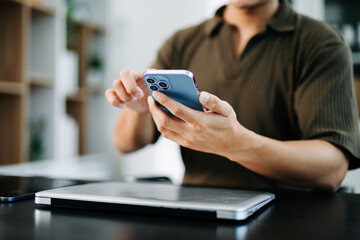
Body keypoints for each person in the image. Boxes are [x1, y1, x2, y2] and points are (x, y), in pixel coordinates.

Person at [105, 0, 360, 192]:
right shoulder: (183, 42)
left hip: (289, 219)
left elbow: (331, 169)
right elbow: (125, 143)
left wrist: (235, 143)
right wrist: (139, 107)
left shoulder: (322, 44)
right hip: (197, 213)